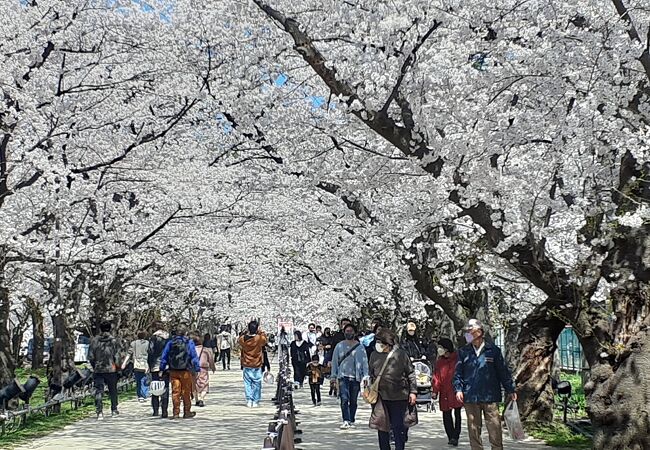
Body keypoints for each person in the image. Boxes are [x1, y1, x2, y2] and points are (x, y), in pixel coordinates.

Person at [454, 319, 517, 450]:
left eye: (470, 331)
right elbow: (458, 373)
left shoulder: (493, 351)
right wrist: (458, 389)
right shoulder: (464, 351)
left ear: (479, 332)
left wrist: (510, 389)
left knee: (494, 426)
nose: (468, 334)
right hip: (471, 396)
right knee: (473, 428)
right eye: (467, 331)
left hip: (490, 396)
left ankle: (497, 448)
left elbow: (503, 372)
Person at [367, 328, 417, 450]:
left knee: (398, 426)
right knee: (381, 425)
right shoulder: (374, 355)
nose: (378, 345)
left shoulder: (401, 354)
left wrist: (413, 391)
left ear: (388, 343)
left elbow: (410, 373)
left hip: (399, 395)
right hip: (380, 396)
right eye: (377, 342)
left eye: (381, 342)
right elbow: (370, 372)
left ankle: (400, 447)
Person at [331, 322, 368, 429]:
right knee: (344, 398)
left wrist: (366, 376)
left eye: (351, 331)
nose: (349, 333)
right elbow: (335, 362)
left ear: (354, 333)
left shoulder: (360, 347)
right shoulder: (339, 346)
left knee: (353, 400)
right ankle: (346, 420)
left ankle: (351, 419)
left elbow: (365, 362)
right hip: (343, 376)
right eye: (347, 331)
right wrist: (333, 376)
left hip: (355, 377)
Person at [160, 325, 201, 419]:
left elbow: (164, 356)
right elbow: (193, 356)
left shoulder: (170, 342)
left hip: (173, 370)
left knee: (175, 392)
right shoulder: (188, 342)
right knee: (186, 392)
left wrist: (162, 368)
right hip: (186, 371)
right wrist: (197, 368)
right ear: (185, 332)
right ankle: (187, 412)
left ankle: (176, 413)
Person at [88, 320, 122, 420]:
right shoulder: (114, 341)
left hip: (98, 369)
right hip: (111, 369)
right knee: (113, 390)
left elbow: (90, 356)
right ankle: (114, 409)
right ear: (110, 328)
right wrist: (118, 368)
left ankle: (99, 411)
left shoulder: (94, 341)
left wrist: (94, 366)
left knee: (99, 390)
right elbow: (118, 356)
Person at [433, 338, 464, 447]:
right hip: (444, 392)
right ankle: (450, 436)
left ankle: (456, 436)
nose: (439, 350)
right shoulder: (440, 362)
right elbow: (436, 377)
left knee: (457, 413)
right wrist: (435, 391)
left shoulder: (457, 359)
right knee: (446, 414)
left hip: (455, 391)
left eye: (440, 347)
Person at [238, 320, 268, 407]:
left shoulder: (243, 339)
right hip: (257, 363)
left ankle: (249, 400)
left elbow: (239, 339)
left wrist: (244, 333)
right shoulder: (258, 338)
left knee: (247, 383)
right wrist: (261, 332)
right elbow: (265, 340)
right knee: (257, 382)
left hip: (246, 363)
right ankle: (255, 400)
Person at [148, 322, 170, 418]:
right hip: (166, 366)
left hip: (155, 366)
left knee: (155, 387)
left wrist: (149, 364)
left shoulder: (153, 338)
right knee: (165, 388)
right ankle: (164, 410)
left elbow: (151, 351)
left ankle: (155, 410)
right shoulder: (169, 337)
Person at [122, 329, 150, 402]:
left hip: (137, 363)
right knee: (145, 379)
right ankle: (144, 394)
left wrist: (124, 363)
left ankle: (140, 396)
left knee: (138, 380)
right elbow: (150, 353)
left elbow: (129, 353)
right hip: (145, 363)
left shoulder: (133, 343)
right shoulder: (148, 343)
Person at [192, 334, 216, 407]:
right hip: (203, 369)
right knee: (204, 384)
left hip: (193, 369)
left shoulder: (191, 349)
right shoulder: (206, 350)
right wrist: (213, 368)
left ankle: (196, 399)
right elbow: (211, 360)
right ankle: (202, 398)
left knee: (194, 384)